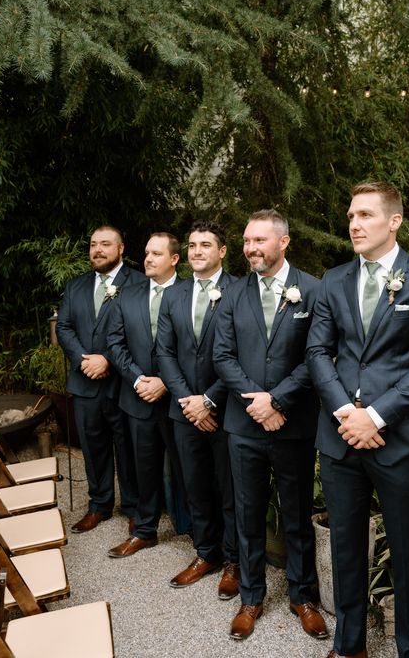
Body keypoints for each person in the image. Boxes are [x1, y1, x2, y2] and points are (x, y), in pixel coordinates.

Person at [305, 181, 409, 658]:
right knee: (347, 545)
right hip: (340, 435)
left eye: (366, 215)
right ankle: (350, 644)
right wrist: (346, 412)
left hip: (399, 440)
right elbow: (317, 350)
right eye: (351, 215)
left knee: (408, 552)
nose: (354, 224)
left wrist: (375, 415)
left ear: (394, 221)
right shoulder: (332, 280)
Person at [213, 209, 328, 641]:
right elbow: (222, 356)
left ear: (284, 242)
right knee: (247, 514)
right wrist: (257, 403)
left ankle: (302, 596)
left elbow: (317, 356)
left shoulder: (313, 291)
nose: (251, 248)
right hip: (244, 426)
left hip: (293, 424)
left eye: (260, 240)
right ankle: (251, 596)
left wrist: (277, 400)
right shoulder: (232, 294)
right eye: (246, 241)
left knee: (297, 514)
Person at [156, 220, 240, 600]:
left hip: (226, 409)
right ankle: (205, 553)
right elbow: (165, 353)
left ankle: (234, 561)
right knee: (195, 487)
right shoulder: (175, 294)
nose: (197, 251)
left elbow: (244, 356)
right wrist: (189, 401)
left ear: (222, 251)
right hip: (184, 411)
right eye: (191, 245)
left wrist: (209, 400)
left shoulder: (240, 290)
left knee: (230, 488)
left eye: (205, 244)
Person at [106, 232, 191, 557]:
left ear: (174, 259)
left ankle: (198, 534)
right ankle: (145, 530)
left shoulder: (188, 294)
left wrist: (166, 382)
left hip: (179, 399)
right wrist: (139, 378)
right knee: (144, 467)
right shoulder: (128, 295)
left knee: (189, 468)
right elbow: (114, 342)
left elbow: (195, 348)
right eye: (146, 253)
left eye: (156, 253)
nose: (148, 259)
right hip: (138, 397)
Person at [56, 225, 145, 534]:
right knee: (92, 446)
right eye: (93, 244)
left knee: (128, 446)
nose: (97, 249)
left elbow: (141, 331)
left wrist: (107, 359)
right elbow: (64, 327)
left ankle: (135, 506)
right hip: (85, 382)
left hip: (123, 383)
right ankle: (99, 505)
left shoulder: (139, 283)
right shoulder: (76, 285)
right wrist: (84, 360)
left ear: (121, 249)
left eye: (105, 244)